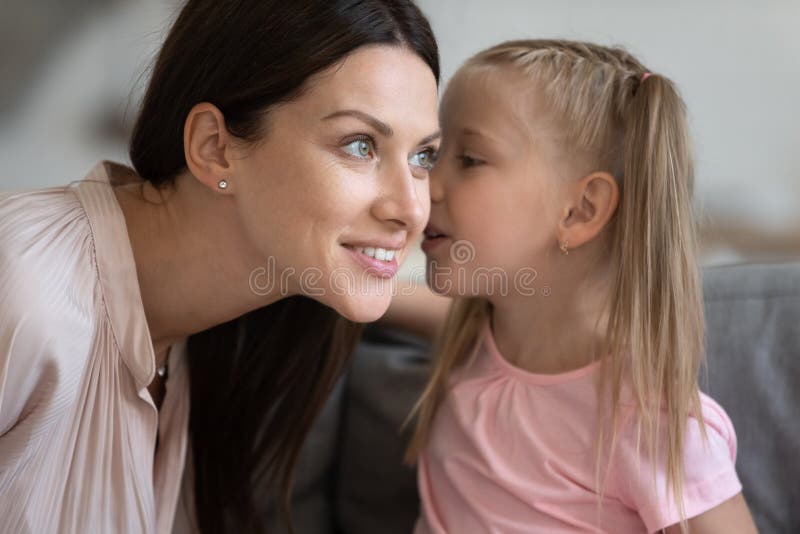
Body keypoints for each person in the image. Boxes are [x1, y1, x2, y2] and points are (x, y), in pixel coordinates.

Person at [0, 1, 440, 532]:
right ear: (214, 148)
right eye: (359, 144)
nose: (413, 209)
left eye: (423, 158)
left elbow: (503, 316)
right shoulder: (24, 287)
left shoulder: (226, 322)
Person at [400, 40, 759, 533]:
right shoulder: (480, 339)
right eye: (433, 154)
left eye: (469, 159)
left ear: (581, 210)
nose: (425, 184)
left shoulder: (648, 423)